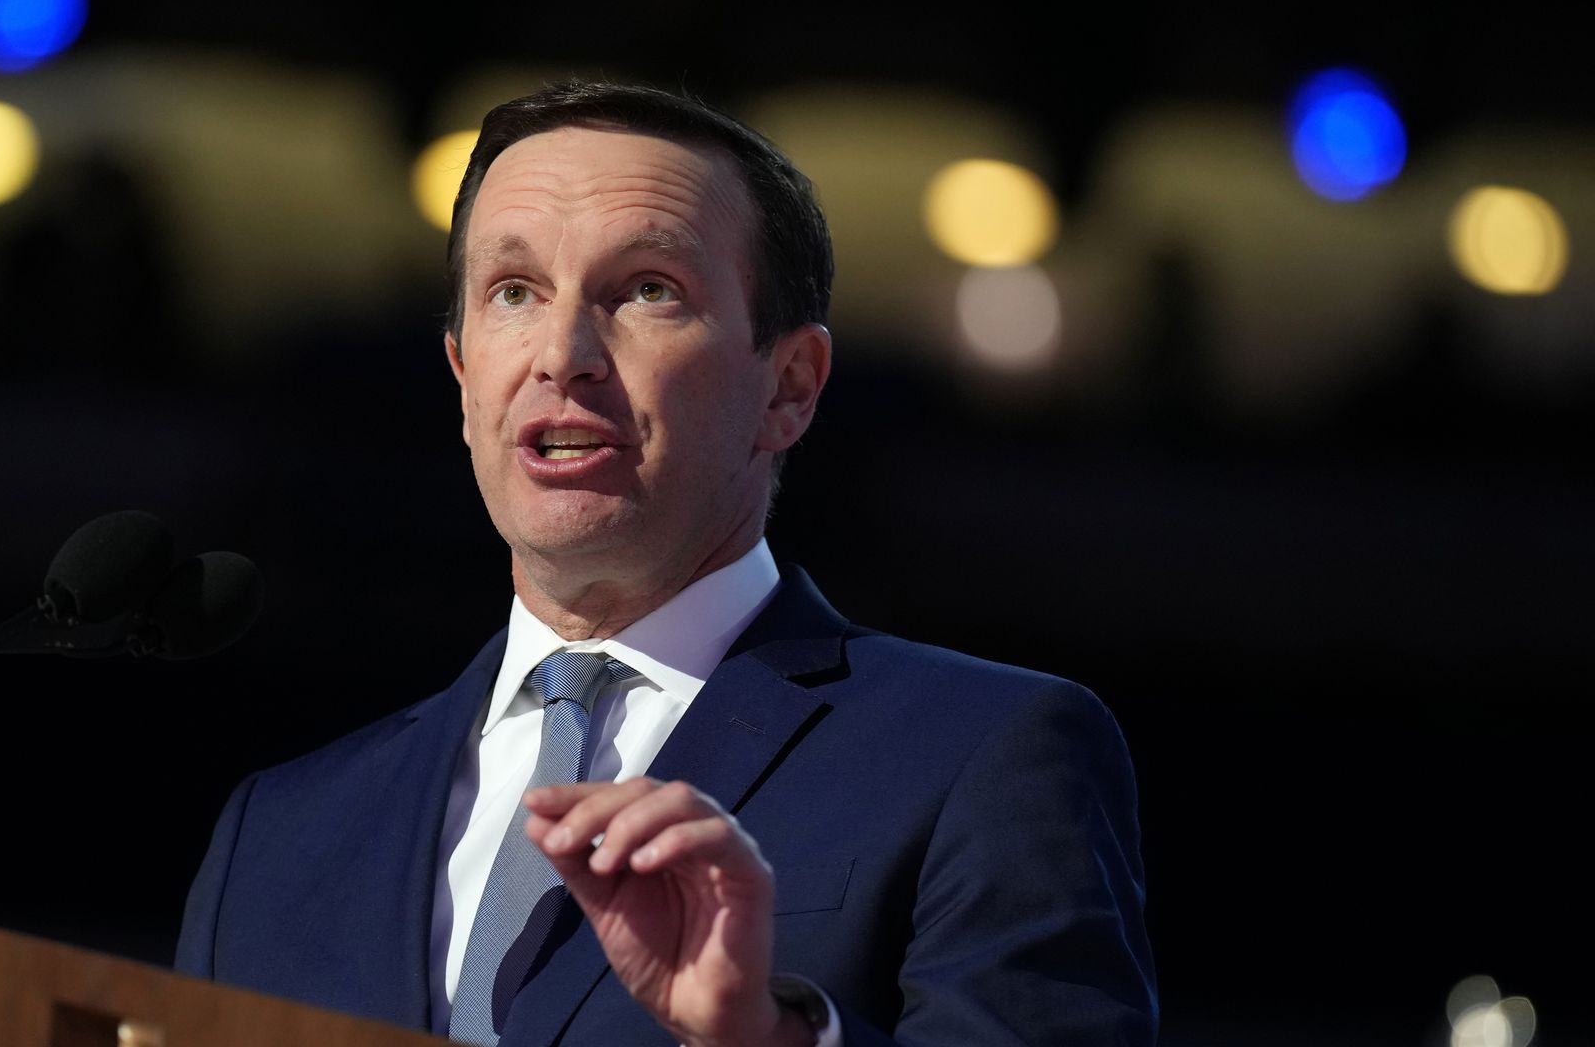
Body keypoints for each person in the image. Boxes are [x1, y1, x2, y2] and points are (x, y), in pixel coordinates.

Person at [177, 82, 1156, 1047]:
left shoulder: (986, 757)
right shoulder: (279, 834)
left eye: (648, 290)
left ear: (790, 388)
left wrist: (763, 1040)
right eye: (514, 293)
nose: (563, 355)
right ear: (464, 376)